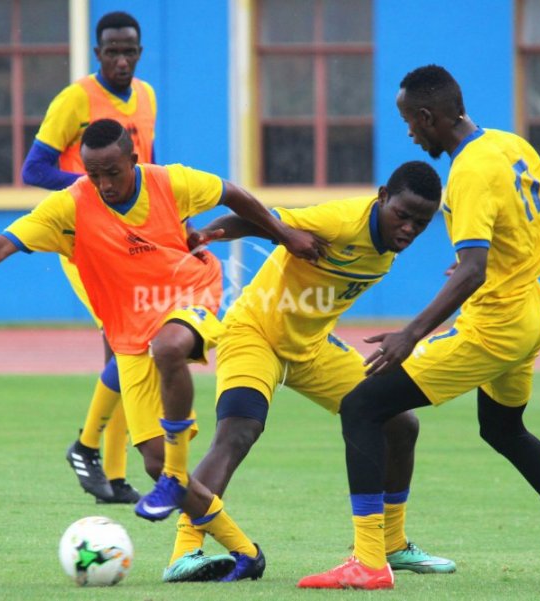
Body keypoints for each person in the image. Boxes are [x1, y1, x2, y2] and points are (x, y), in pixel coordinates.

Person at [0, 118, 324, 582]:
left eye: (113, 172)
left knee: (170, 348)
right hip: (129, 332)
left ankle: (175, 474)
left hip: (190, 293)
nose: (105, 184)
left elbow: (233, 194)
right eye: (94, 174)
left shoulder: (170, 182)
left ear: (134, 159)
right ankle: (246, 552)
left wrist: (282, 232)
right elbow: (3, 244)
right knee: (151, 461)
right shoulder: (70, 206)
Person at [298, 65, 540, 590]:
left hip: (495, 325)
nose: (410, 133)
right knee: (503, 429)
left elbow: (472, 270)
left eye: (409, 121)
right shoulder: (509, 144)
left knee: (362, 405)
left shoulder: (468, 173)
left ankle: (370, 561)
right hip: (531, 310)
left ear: (428, 117)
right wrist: (500, 261)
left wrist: (411, 334)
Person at [158, 161, 457, 583]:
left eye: (421, 223)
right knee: (238, 432)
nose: (409, 228)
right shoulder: (340, 221)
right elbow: (257, 219)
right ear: (382, 197)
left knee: (400, 423)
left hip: (311, 347)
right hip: (254, 333)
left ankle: (390, 543)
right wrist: (211, 235)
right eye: (402, 215)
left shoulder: (389, 243)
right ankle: (184, 552)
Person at [21, 11, 158, 505]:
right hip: (83, 241)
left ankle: (114, 478)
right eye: (112, 52)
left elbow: (149, 168)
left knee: (129, 351)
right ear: (97, 53)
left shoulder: (147, 97)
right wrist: (94, 184)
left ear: (139, 53)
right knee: (127, 346)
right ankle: (85, 448)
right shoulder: (75, 99)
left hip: (131, 239)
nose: (121, 60)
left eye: (129, 51)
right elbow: (34, 169)